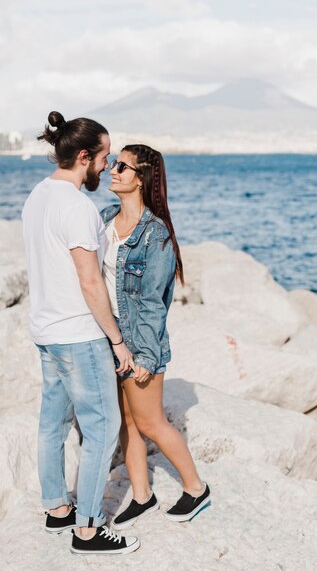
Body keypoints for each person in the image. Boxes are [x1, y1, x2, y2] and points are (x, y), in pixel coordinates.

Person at [22, 111, 139, 556]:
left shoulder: (37, 196)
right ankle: (88, 531)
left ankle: (57, 509)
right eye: (105, 157)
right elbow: (91, 283)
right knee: (103, 427)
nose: (109, 167)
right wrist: (117, 339)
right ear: (84, 156)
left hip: (46, 329)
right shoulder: (77, 207)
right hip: (78, 333)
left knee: (52, 424)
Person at [100, 144, 211, 529]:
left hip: (139, 343)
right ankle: (143, 496)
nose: (112, 170)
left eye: (122, 166)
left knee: (150, 423)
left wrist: (144, 356)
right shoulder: (104, 220)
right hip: (110, 340)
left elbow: (152, 303)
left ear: (141, 178)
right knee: (126, 424)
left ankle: (196, 488)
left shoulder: (155, 235)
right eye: (113, 164)